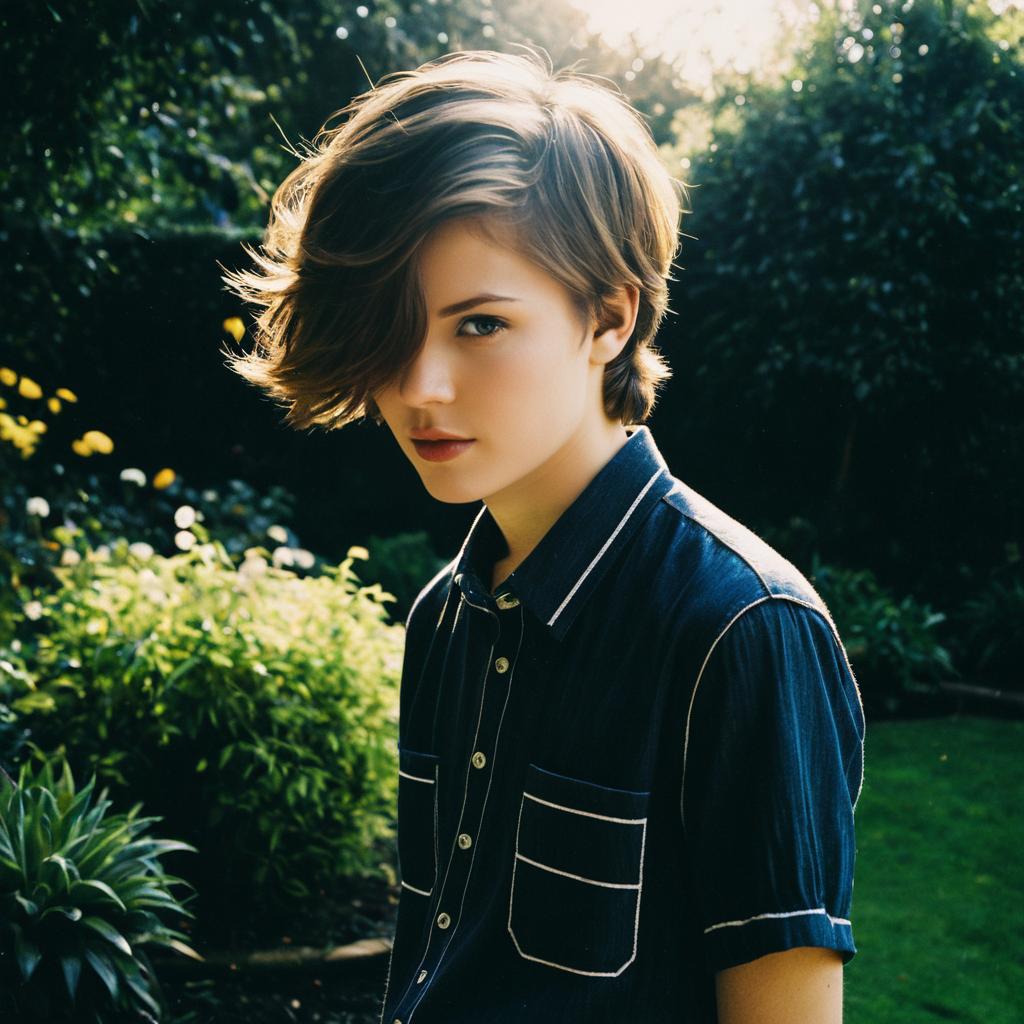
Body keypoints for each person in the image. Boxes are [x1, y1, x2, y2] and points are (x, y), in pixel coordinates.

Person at [220, 47, 865, 1024]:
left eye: (478, 324)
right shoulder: (444, 616)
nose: (418, 385)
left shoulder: (742, 630)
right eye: (394, 327)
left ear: (609, 318)